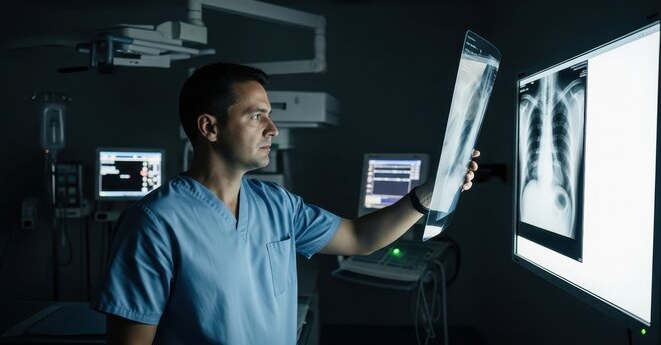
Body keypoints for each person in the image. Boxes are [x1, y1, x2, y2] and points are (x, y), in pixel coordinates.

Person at [92, 62, 479, 344]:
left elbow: (358, 236)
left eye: (270, 116)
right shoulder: (153, 223)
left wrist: (425, 196)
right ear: (209, 127)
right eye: (256, 116)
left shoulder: (275, 204)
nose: (272, 129)